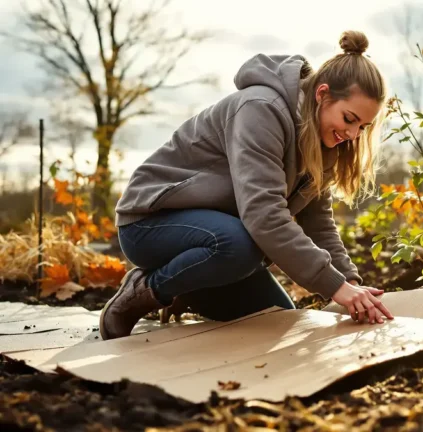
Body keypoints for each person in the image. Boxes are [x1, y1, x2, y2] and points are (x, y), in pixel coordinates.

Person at [99, 30, 394, 341]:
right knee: (240, 244)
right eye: (349, 119)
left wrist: (350, 283)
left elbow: (318, 223)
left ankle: (188, 287)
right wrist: (335, 287)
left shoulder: (324, 144)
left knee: (277, 317)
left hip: (220, 238)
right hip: (150, 224)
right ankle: (143, 291)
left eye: (363, 126)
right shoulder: (261, 109)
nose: (352, 134)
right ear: (322, 94)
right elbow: (263, 215)